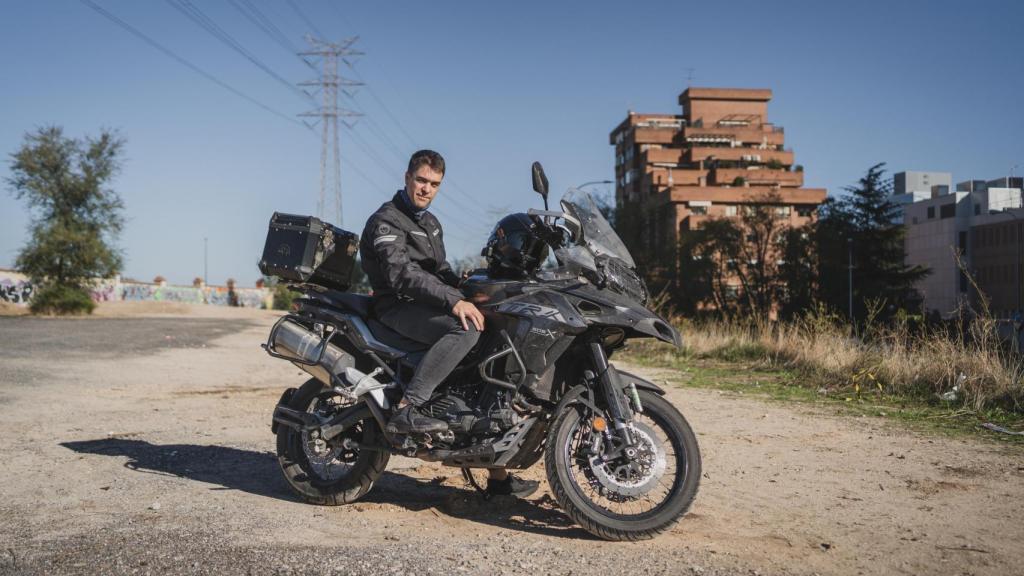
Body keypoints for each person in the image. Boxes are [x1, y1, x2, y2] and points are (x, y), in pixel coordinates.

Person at [359, 150, 538, 497]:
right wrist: (455, 301)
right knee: (466, 328)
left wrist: (472, 287)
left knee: (491, 341)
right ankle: (408, 409)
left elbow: (439, 273)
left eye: (434, 184)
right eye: (421, 180)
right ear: (407, 177)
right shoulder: (387, 220)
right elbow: (403, 275)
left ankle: (498, 476)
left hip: (425, 303)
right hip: (396, 306)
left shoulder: (431, 223)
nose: (426, 189)